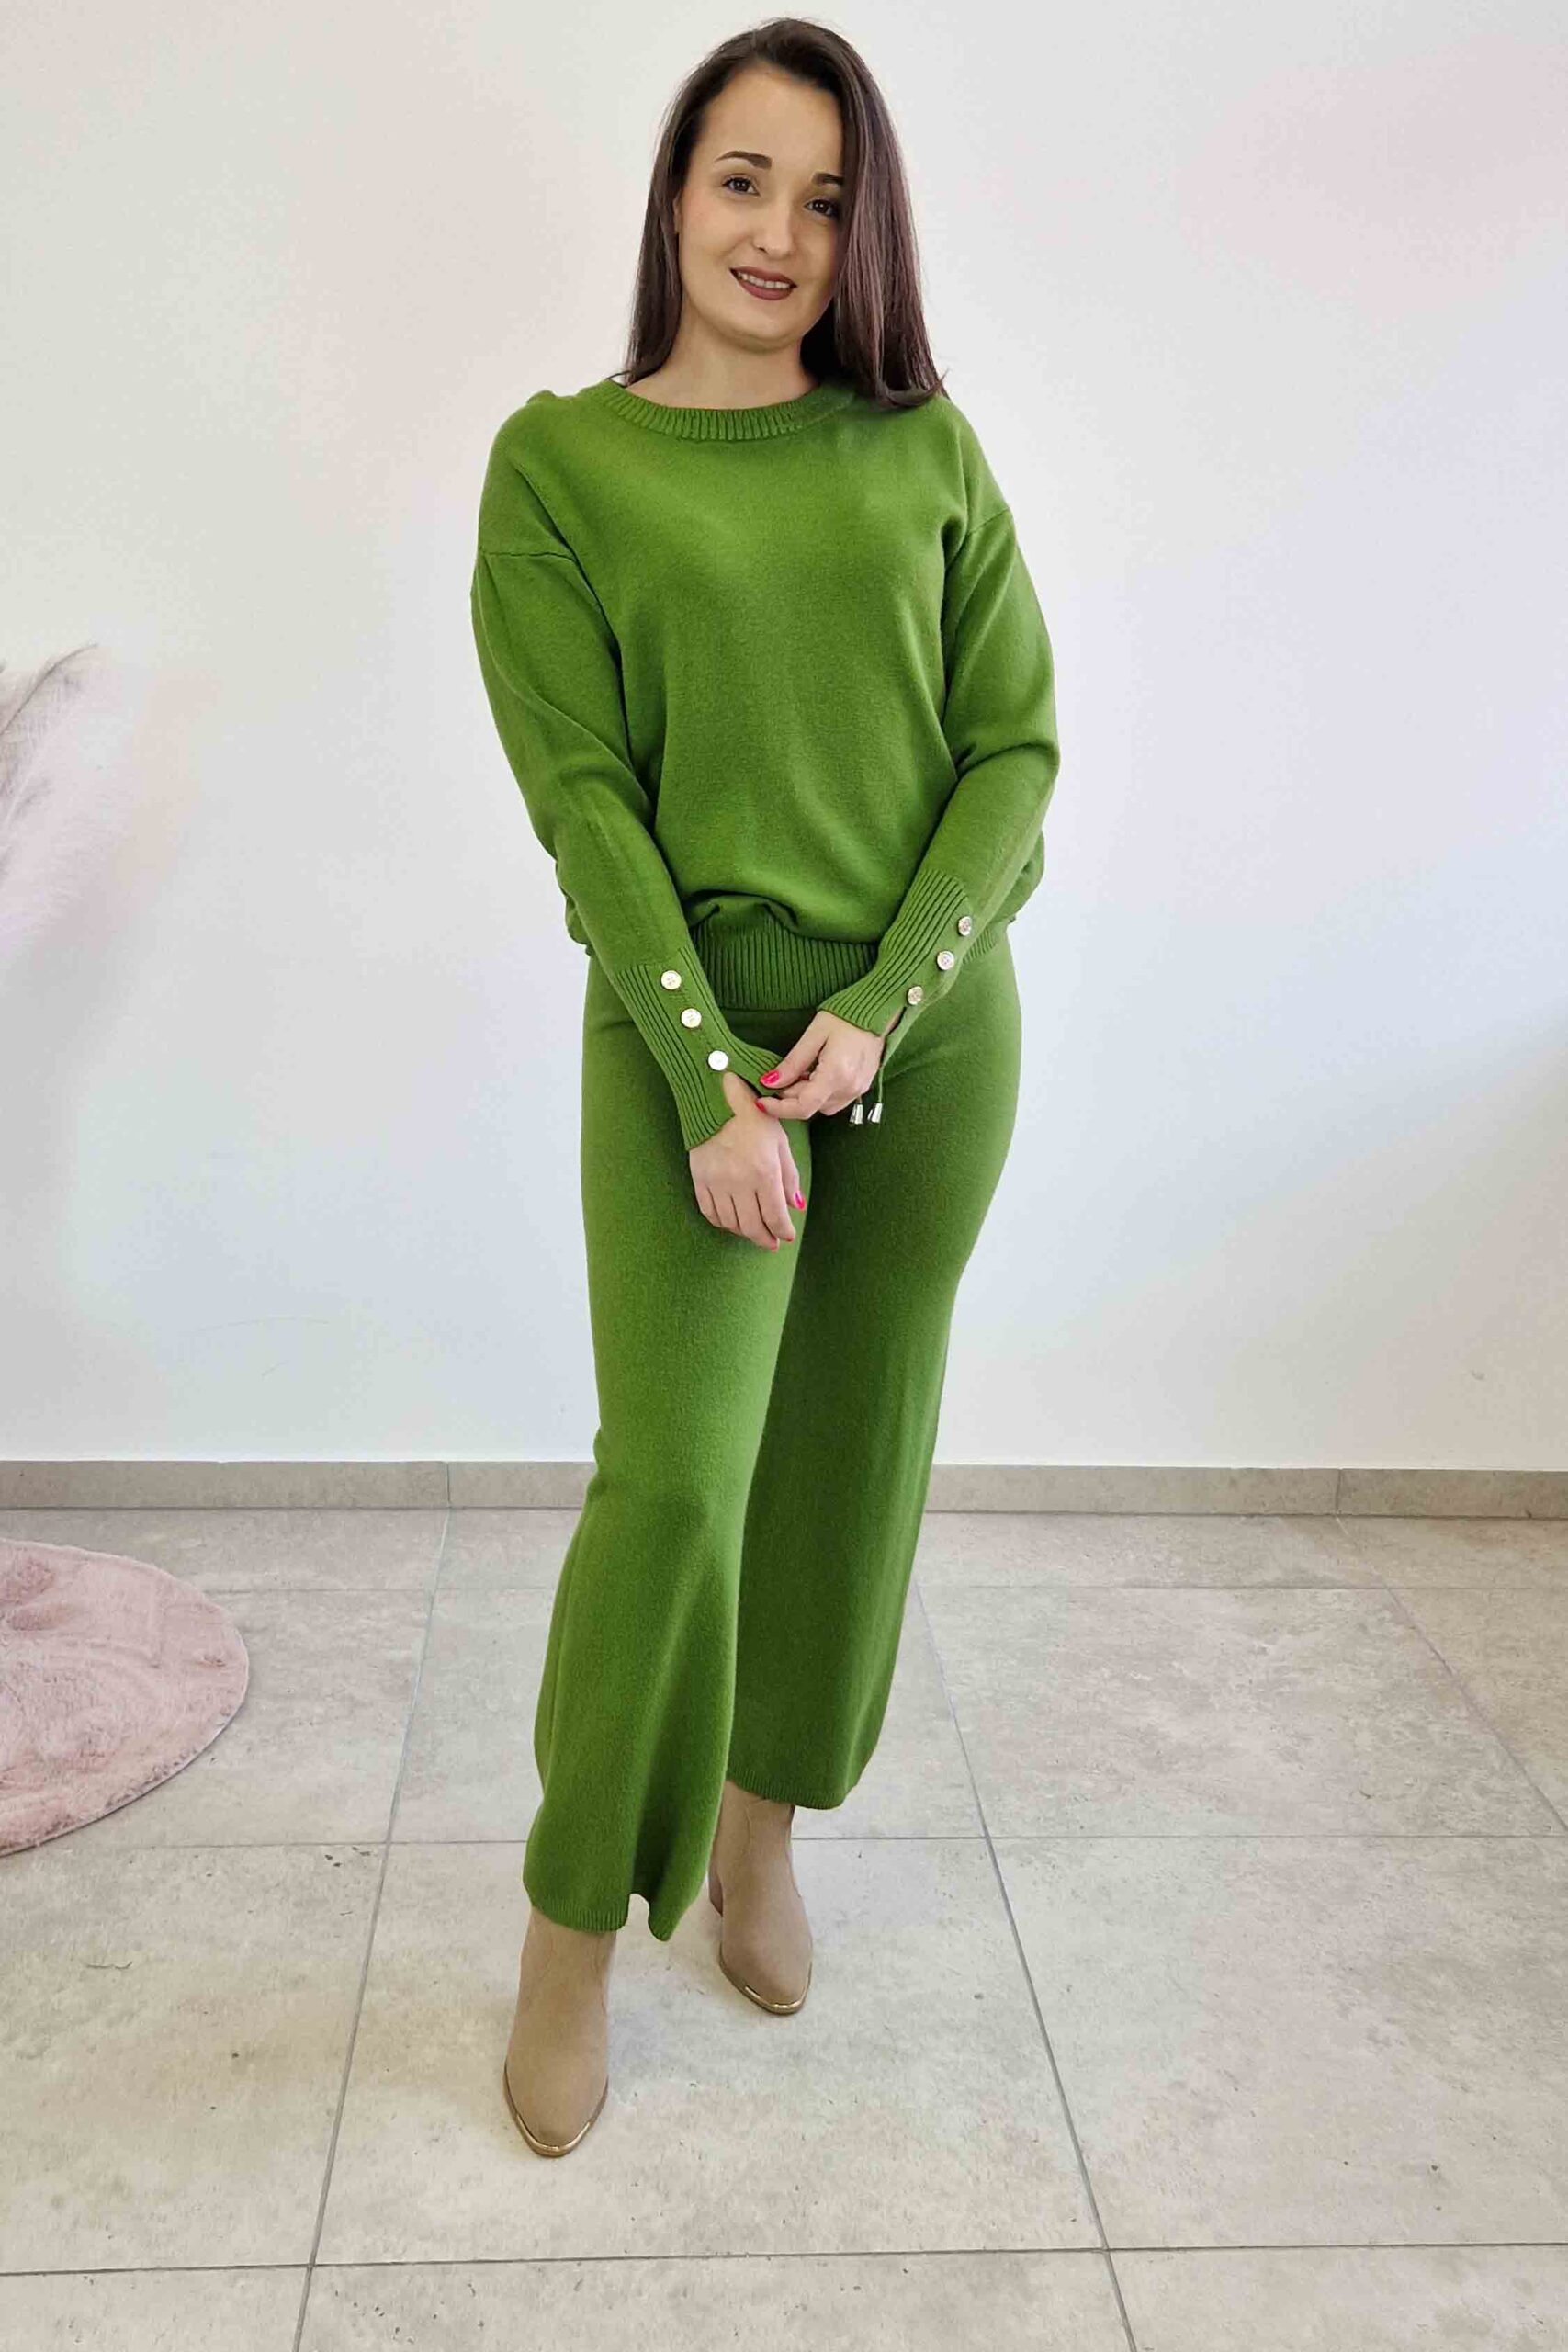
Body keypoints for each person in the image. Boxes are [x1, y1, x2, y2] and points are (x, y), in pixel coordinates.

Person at [470, 17, 1060, 2156]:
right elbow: (581, 797)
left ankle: (759, 1832)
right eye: (742, 179)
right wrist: (714, 1084)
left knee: (844, 1458)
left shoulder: (921, 449)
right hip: (691, 1047)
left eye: (823, 197)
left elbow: (1011, 751)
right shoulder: (562, 464)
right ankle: (562, 1936)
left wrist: (889, 1006)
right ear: (671, 190)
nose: (778, 233)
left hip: (919, 1042)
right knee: (674, 1485)